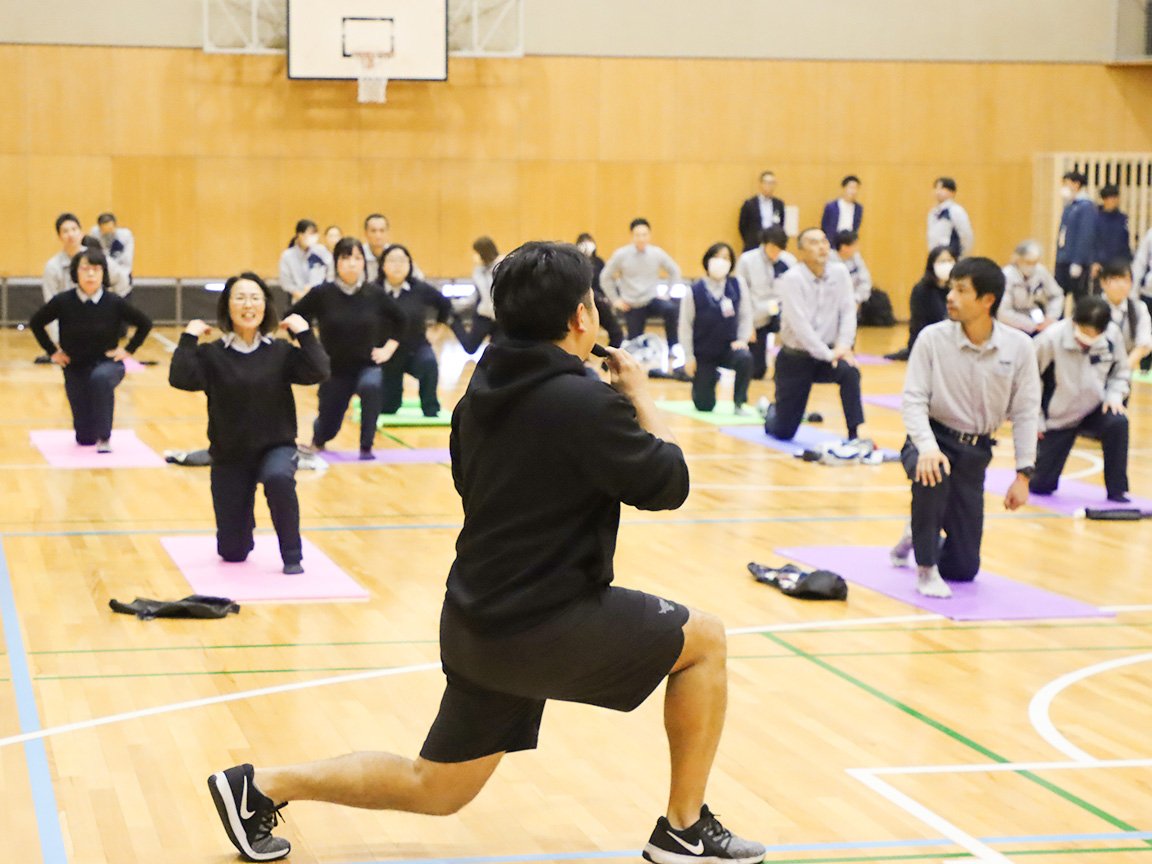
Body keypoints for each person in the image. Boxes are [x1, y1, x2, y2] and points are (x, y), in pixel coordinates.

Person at [206, 240, 765, 864]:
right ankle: (684, 829)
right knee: (705, 642)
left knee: (436, 787)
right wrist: (642, 397)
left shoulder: (480, 390)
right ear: (580, 318)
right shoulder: (587, 403)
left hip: (478, 620)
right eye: (595, 303)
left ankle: (259, 786)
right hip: (544, 622)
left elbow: (468, 482)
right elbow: (671, 484)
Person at [889, 257, 1039, 598]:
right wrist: (926, 447)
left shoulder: (1019, 348)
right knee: (932, 473)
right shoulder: (932, 338)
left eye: (961, 290)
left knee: (964, 569)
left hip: (976, 451)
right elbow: (913, 400)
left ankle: (917, 535)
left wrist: (1023, 473)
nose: (950, 297)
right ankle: (925, 569)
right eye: (951, 288)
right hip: (930, 437)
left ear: (987, 300)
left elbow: (1027, 412)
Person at [170, 273, 330, 574]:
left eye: (255, 298)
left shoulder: (281, 352)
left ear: (265, 306)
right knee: (233, 553)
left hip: (276, 447)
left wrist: (305, 334)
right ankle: (242, 519)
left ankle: (292, 555)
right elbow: (180, 378)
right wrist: (188, 337)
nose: (248, 304)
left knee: (279, 479)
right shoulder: (212, 354)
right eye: (240, 297)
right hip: (229, 456)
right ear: (227, 306)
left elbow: (319, 370)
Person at [289, 237, 405, 459]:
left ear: (363, 263)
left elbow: (401, 320)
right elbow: (293, 316)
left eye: (357, 258)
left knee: (371, 387)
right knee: (327, 427)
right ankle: (319, 439)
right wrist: (308, 345)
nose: (352, 263)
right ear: (336, 262)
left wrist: (388, 349)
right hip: (333, 370)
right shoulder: (322, 294)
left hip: (366, 365)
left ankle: (366, 447)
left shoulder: (374, 293)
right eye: (346, 257)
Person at [29, 246, 152, 452]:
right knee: (84, 438)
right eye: (85, 269)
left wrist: (128, 350)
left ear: (103, 273)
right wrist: (53, 352)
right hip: (75, 367)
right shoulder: (63, 301)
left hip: (107, 364)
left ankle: (105, 438)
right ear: (76, 273)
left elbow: (144, 323)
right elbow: (36, 322)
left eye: (96, 269)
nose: (91, 274)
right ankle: (92, 434)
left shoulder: (114, 302)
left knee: (100, 379)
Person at [762, 228, 864, 441]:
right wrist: (829, 354)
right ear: (801, 252)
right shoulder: (791, 279)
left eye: (824, 242)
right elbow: (800, 326)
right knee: (783, 431)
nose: (821, 247)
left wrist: (843, 347)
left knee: (850, 371)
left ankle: (854, 434)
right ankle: (770, 410)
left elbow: (848, 311)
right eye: (813, 243)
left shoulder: (840, 273)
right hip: (795, 357)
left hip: (830, 353)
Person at [1031, 296, 1130, 503]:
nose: (1087, 339)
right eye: (1084, 332)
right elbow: (1028, 381)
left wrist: (1114, 394)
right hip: (1057, 417)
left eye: (1094, 334)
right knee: (1040, 486)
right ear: (1074, 322)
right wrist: (1036, 420)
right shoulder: (1050, 339)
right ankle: (1042, 476)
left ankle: (1117, 489)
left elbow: (1120, 371)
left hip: (1094, 408)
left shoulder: (1112, 337)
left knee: (1118, 422)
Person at [375, 244, 452, 417]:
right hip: (387, 355)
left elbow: (445, 304)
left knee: (429, 363)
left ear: (410, 265)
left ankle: (430, 406)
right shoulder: (374, 290)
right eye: (392, 260)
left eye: (403, 260)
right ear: (383, 265)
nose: (398, 265)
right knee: (388, 408)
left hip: (416, 348)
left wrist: (437, 327)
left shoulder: (420, 288)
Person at [679, 242, 753, 414]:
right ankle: (708, 379)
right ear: (707, 260)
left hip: (729, 349)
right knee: (704, 406)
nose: (721, 261)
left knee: (745, 358)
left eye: (726, 258)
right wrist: (689, 357)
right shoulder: (693, 291)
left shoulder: (737, 284)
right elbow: (685, 326)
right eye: (716, 257)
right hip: (704, 353)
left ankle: (739, 403)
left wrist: (742, 340)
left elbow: (745, 315)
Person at [600, 219, 683, 353]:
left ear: (649, 235)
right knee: (635, 343)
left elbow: (675, 271)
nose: (641, 238)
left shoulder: (656, 253)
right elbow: (605, 277)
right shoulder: (621, 255)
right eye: (638, 235)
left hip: (651, 299)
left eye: (644, 234)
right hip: (632, 304)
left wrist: (668, 292)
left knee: (671, 309)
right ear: (632, 236)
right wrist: (615, 300)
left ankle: (673, 347)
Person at [735, 226, 796, 380]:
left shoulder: (789, 261)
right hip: (757, 315)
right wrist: (747, 325)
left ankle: (782, 367)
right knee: (756, 372)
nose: (776, 253)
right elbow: (741, 293)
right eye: (773, 248)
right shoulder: (747, 260)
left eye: (779, 249)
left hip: (781, 312)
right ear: (764, 244)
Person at [885, 247, 955, 361]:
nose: (946, 265)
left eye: (949, 261)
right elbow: (918, 323)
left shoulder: (955, 289)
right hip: (928, 344)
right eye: (942, 261)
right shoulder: (921, 289)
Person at [38, 212, 89, 354]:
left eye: (74, 230)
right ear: (60, 237)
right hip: (68, 331)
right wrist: (57, 340)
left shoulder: (97, 259)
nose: (71, 235)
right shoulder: (52, 266)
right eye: (65, 231)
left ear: (81, 233)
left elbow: (120, 281)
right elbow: (50, 304)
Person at [997, 240, 1063, 335]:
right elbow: (1003, 313)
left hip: (1036, 318)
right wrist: (1032, 325)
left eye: (1035, 262)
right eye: (1028, 262)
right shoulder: (1007, 275)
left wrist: (1051, 317)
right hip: (1012, 326)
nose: (1032, 266)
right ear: (1017, 259)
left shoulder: (1040, 271)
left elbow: (1057, 295)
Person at [450, 236, 503, 354]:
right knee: (470, 347)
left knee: (500, 349)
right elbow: (477, 295)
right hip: (483, 314)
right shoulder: (478, 271)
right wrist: (456, 305)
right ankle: (452, 321)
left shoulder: (503, 266)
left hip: (501, 317)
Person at [1098, 258, 1151, 371]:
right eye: (1116, 280)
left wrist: (1123, 368)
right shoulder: (1093, 307)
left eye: (1126, 280)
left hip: (1126, 370)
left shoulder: (1139, 308)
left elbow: (1144, 343)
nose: (1121, 285)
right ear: (1103, 282)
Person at [577, 232, 624, 348]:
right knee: (580, 335)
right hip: (582, 303)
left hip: (600, 302)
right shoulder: (576, 262)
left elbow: (605, 282)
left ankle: (606, 364)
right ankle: (584, 364)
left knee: (617, 333)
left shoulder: (599, 261)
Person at [1054, 171, 1095, 299]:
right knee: (1058, 295)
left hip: (1075, 261)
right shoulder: (1070, 205)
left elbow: (1085, 235)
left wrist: (1078, 261)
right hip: (1063, 258)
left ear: (1076, 185)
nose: (1063, 188)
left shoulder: (1086, 206)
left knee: (1080, 297)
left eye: (1066, 184)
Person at [279, 219, 334, 302]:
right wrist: (302, 295)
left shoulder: (321, 251)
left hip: (321, 297)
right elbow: (286, 283)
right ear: (300, 235)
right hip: (299, 300)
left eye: (315, 233)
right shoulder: (288, 256)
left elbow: (330, 272)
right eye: (310, 233)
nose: (314, 237)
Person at [738, 170, 785, 252]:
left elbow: (781, 223)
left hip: (773, 244)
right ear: (760, 184)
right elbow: (742, 226)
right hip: (753, 245)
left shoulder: (779, 204)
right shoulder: (749, 204)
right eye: (766, 182)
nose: (769, 186)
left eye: (772, 183)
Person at [926, 177, 974, 258]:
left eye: (942, 188)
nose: (938, 192)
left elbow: (966, 234)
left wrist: (961, 254)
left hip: (952, 255)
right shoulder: (933, 213)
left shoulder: (956, 211)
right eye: (936, 188)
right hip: (936, 255)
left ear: (952, 192)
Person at [1090, 185, 1130, 277]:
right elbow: (1092, 241)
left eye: (1115, 198)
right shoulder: (1095, 218)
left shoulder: (1122, 218)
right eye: (1109, 198)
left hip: (1120, 262)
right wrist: (1094, 261)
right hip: (1101, 263)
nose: (1113, 201)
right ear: (1104, 200)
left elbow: (1124, 241)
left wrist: (1128, 261)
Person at [1130, 227, 1152, 372]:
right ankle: (1144, 367)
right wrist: (1133, 291)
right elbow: (1140, 261)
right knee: (1148, 329)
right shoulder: (1151, 234)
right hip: (1149, 291)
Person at [831, 230, 872, 307]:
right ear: (844, 248)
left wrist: (855, 298)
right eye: (854, 245)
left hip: (852, 301)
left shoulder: (856, 258)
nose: (857, 248)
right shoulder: (829, 260)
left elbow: (866, 281)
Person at [821, 176, 863, 249]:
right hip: (833, 241)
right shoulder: (831, 206)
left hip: (849, 241)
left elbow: (856, 225)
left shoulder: (858, 208)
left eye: (856, 188)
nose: (853, 191)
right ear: (844, 188)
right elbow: (824, 225)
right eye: (851, 187)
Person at [89, 212, 135, 279]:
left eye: (110, 230)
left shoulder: (125, 236)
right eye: (105, 231)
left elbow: (127, 259)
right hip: (103, 272)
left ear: (115, 226)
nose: (108, 234)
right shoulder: (95, 235)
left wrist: (111, 264)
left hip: (122, 272)